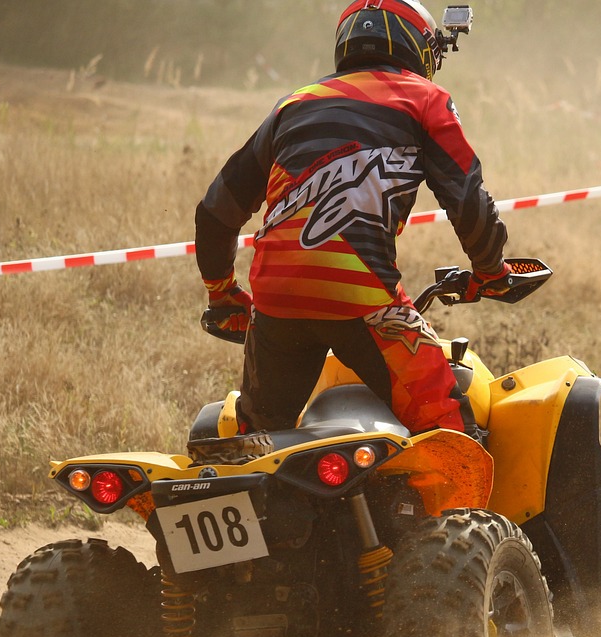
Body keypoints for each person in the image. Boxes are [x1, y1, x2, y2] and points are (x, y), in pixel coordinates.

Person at [194, 0, 511, 435]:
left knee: (259, 446)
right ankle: (450, 504)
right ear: (416, 44)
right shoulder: (426, 99)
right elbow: (467, 199)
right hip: (362, 296)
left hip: (274, 302)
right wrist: (490, 269)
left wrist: (222, 292)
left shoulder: (294, 104)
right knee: (449, 430)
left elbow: (214, 213)